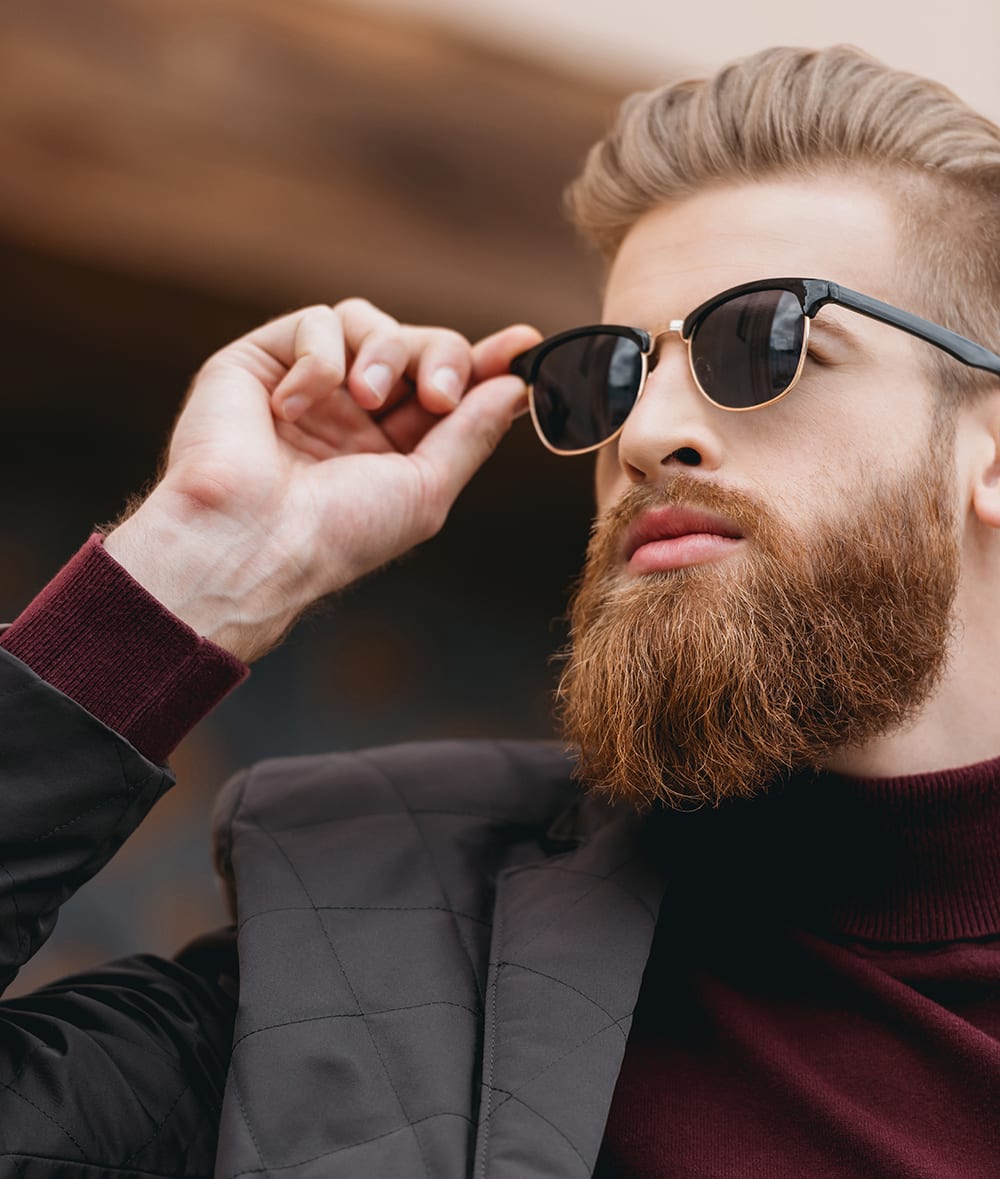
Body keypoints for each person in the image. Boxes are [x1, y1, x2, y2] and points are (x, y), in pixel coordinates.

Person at [2, 43, 1000, 1178]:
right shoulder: (367, 955)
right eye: (614, 372)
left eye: (762, 341)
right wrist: (192, 569)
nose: (641, 436)